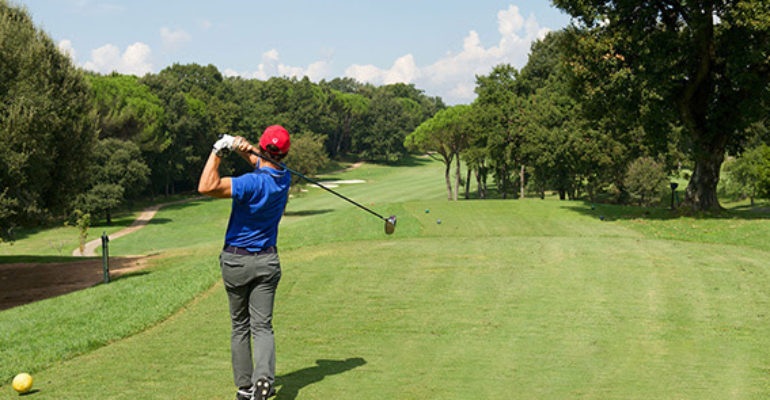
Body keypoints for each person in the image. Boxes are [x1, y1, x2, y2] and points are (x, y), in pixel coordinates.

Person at [197, 125, 292, 400]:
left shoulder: (251, 183)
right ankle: (263, 380)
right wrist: (241, 146)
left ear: (262, 148)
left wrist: (218, 151)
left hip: (236, 262)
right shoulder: (283, 177)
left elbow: (206, 186)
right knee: (262, 326)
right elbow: (261, 159)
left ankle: (245, 387)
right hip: (267, 262)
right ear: (285, 152)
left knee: (240, 325)